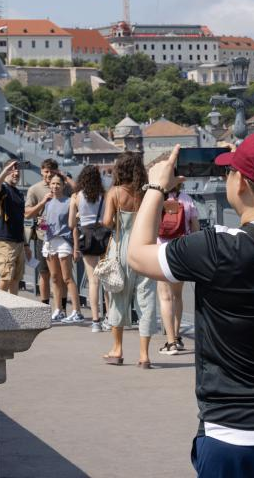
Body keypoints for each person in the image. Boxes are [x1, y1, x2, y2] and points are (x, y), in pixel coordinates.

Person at [127, 135, 254, 477]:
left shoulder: (215, 249)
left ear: (240, 185)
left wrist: (156, 186)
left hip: (236, 433)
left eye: (231, 173)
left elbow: (137, 254)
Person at [100, 151, 157, 368]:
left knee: (118, 297)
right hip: (145, 248)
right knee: (146, 300)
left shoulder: (115, 193)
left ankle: (117, 350)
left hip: (122, 249)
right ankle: (144, 355)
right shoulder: (147, 193)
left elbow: (107, 222)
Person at [157, 181, 199, 355]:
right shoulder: (187, 199)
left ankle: (170, 343)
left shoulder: (157, 200)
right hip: (181, 250)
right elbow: (195, 229)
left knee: (165, 297)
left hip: (162, 252)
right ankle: (177, 336)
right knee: (177, 296)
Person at [25, 159, 75, 306]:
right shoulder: (34, 189)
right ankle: (45, 306)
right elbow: (27, 214)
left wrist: (64, 177)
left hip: (63, 238)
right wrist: (42, 203)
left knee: (63, 276)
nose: (48, 175)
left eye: (52, 172)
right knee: (45, 274)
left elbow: (79, 192)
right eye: (46, 172)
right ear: (41, 171)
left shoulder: (64, 186)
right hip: (43, 236)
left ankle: (62, 308)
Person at [69, 164, 109, 332]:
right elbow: (109, 219)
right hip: (104, 236)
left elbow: (71, 223)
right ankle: (109, 318)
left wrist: (80, 215)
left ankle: (95, 321)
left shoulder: (76, 196)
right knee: (107, 279)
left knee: (93, 281)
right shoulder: (104, 195)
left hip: (87, 236)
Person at [43, 173, 83, 323]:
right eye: (52, 183)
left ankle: (77, 311)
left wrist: (76, 248)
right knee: (54, 277)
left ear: (63, 185)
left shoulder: (69, 201)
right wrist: (42, 225)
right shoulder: (47, 203)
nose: (55, 186)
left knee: (67, 277)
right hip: (50, 241)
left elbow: (74, 226)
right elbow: (45, 224)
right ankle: (58, 309)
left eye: (58, 184)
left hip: (64, 241)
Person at [0, 159, 32, 295]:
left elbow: (20, 222)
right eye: (12, 171)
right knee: (6, 277)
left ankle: (13, 304)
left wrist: (26, 245)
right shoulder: (3, 189)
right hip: (4, 241)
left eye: (18, 171)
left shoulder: (18, 193)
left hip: (18, 241)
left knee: (15, 279)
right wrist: (5, 171)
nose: (16, 173)